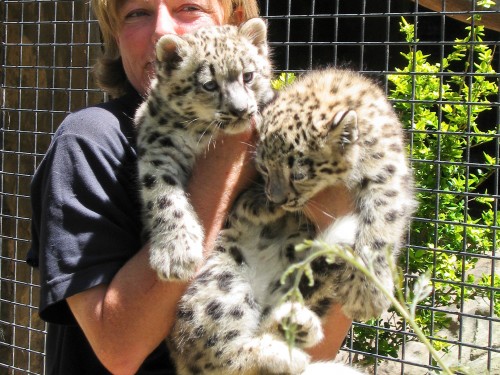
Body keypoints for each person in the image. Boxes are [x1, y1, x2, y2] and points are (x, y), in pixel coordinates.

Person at [28, 1, 353, 374]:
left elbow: (315, 345)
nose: (163, 30)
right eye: (137, 13)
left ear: (236, 24)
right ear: (115, 35)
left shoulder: (284, 131)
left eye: (189, 8)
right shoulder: (92, 139)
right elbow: (120, 351)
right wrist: (228, 159)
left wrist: (343, 213)